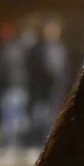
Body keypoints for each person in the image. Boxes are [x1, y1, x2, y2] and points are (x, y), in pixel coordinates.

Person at [25, 17, 70, 147]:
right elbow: (32, 67)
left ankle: (46, 140)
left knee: (51, 115)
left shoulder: (60, 47)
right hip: (40, 88)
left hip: (55, 89)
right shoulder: (38, 48)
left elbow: (63, 67)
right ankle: (35, 141)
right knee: (39, 115)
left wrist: (62, 81)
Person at [0, 21, 30, 152]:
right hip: (21, 85)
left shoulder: (5, 50)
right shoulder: (22, 50)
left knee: (9, 116)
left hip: (9, 86)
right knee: (18, 116)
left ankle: (9, 143)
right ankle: (15, 142)